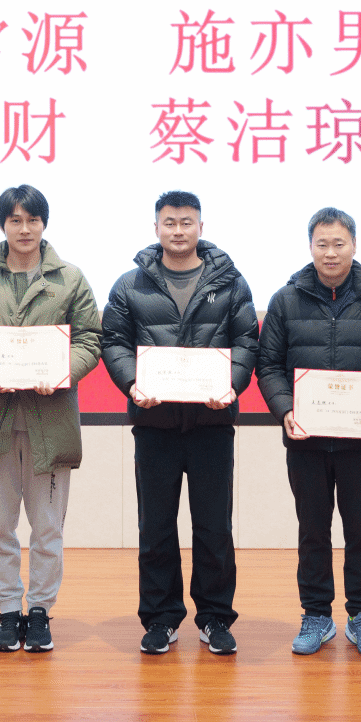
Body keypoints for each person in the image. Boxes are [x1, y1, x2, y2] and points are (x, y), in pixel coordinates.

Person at [0, 184, 103, 655]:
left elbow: (90, 340)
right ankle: (9, 609)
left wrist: (61, 372)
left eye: (33, 219)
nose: (25, 228)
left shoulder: (70, 279)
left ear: (44, 223)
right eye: (15, 220)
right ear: (3, 225)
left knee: (48, 527)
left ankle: (40, 612)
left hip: (50, 420)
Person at [100, 190, 260, 657]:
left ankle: (215, 617)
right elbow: (113, 341)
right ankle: (161, 618)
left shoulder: (231, 283)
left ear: (200, 228)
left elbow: (247, 341)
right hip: (155, 422)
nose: (177, 230)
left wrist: (231, 384)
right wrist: (132, 383)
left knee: (214, 527)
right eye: (169, 222)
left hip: (212, 422)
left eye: (186, 222)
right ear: (156, 229)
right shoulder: (130, 285)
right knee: (155, 528)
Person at [255, 206, 361, 659]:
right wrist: (284, 409)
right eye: (321, 243)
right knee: (313, 531)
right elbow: (268, 365)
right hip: (306, 441)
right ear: (310, 247)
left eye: (338, 243)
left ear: (354, 245)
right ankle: (316, 614)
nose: (330, 252)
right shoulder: (286, 300)